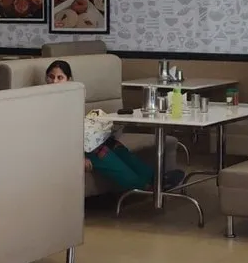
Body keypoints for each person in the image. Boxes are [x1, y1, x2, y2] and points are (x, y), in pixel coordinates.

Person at [44, 60, 182, 191]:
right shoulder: (42, 101)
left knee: (116, 147)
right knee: (103, 154)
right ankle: (146, 187)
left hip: (83, 141)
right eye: (51, 77)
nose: (54, 81)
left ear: (69, 80)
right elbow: (54, 136)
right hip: (67, 149)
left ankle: (156, 178)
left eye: (60, 77)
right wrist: (78, 157)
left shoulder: (72, 98)